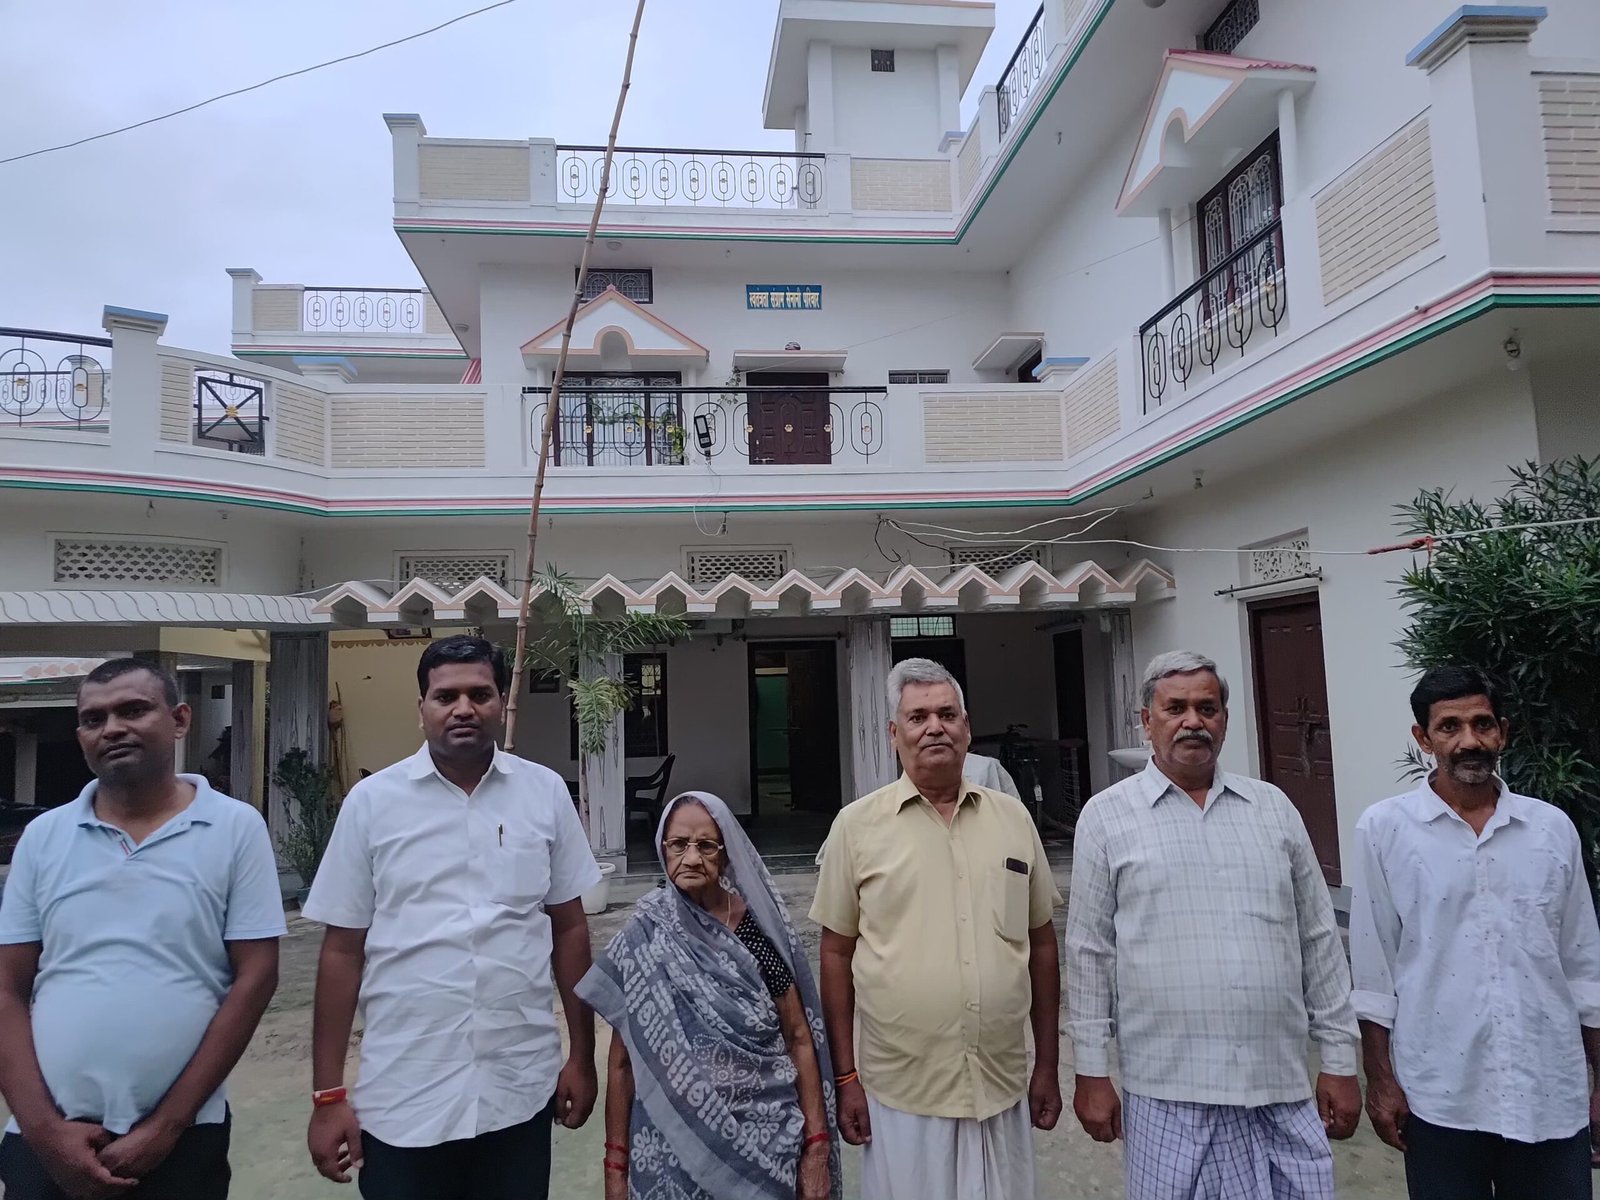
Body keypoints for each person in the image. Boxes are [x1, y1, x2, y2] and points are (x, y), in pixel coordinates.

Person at [302, 635, 601, 1200]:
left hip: (519, 1087)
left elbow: (570, 928)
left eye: (479, 694)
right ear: (422, 709)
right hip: (405, 1094)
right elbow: (341, 951)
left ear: (501, 702)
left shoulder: (543, 793)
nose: (463, 708)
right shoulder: (372, 803)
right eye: (446, 696)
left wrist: (582, 1057)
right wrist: (327, 1095)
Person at [1064, 649, 1361, 1200]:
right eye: (1174, 708)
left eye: (1207, 708)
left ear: (1224, 718)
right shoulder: (1107, 816)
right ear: (1146, 720)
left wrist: (1341, 1059)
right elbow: (1090, 951)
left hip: (1277, 1081)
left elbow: (1318, 938)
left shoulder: (1272, 808)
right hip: (1167, 1089)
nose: (1192, 722)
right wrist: (1091, 1069)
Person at [0, 658, 284, 1200]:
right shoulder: (43, 837)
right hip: (47, 1137)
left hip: (183, 1135)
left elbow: (256, 977)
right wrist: (43, 1132)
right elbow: (6, 988)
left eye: (133, 710)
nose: (112, 728)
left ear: (179, 720)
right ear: (81, 737)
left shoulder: (233, 828)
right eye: (94, 719)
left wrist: (167, 1125)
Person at [811, 658, 1062, 1200]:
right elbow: (835, 955)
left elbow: (1042, 944)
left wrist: (1047, 1064)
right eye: (918, 717)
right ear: (893, 734)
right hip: (904, 1093)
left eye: (947, 715)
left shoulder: (1013, 819)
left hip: (999, 1083)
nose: (935, 728)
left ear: (966, 729)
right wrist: (846, 1078)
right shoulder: (856, 827)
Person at [1349, 665, 1600, 1199]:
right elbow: (1374, 972)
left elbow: (1584, 966)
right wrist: (1381, 1080)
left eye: (1482, 724)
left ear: (1502, 732)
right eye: (1450, 727)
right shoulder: (1384, 829)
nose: (1469, 741)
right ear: (1423, 738)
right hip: (1439, 1095)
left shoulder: (1551, 829)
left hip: (1548, 1091)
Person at [580, 791, 839, 1200]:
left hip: (765, 1147)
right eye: (678, 844)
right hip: (670, 1154)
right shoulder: (644, 934)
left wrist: (817, 1149)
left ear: (726, 854)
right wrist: (615, 1170)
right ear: (663, 849)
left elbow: (798, 1038)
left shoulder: (756, 930)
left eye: (706, 845)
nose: (692, 858)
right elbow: (623, 1063)